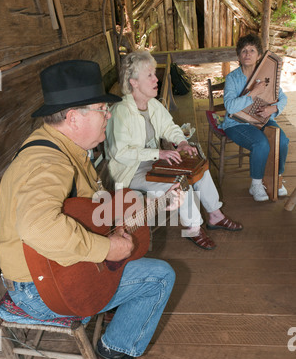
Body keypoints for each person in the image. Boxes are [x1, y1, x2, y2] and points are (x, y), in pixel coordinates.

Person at [0, 59, 181, 359]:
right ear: (73, 117)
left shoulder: (64, 148)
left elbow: (84, 209)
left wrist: (159, 205)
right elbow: (38, 227)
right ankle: (114, 351)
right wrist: (108, 247)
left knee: (133, 247)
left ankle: (113, 310)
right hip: (37, 289)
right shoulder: (47, 163)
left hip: (47, 270)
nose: (108, 116)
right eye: (101, 109)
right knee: (160, 276)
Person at [104, 50, 243, 251]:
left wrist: (181, 143)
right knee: (179, 183)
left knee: (198, 167)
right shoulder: (121, 112)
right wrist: (158, 154)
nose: (156, 79)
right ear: (133, 82)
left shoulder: (152, 104)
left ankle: (215, 215)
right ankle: (193, 227)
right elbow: (121, 154)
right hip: (130, 171)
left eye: (154, 74)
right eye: (149, 75)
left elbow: (169, 127)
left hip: (152, 163)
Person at [219, 33, 289, 202]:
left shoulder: (266, 74)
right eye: (244, 51)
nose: (248, 54)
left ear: (259, 55)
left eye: (252, 50)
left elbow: (283, 97)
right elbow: (229, 107)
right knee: (261, 143)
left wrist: (273, 108)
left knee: (283, 141)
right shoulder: (233, 78)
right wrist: (252, 94)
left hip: (262, 120)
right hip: (235, 123)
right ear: (239, 56)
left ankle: (276, 178)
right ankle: (256, 184)